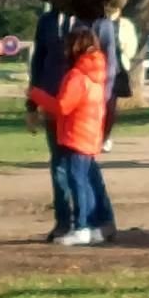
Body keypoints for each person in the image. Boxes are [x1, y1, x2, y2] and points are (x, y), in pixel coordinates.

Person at [28, 27, 115, 246]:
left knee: (77, 182)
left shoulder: (77, 76)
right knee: (86, 180)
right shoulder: (96, 74)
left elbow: (63, 106)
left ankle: (82, 226)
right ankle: (95, 224)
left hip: (75, 134)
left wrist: (36, 95)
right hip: (89, 133)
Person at [29, 4, 79, 237]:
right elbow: (38, 61)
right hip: (52, 101)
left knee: (79, 164)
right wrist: (32, 104)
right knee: (58, 163)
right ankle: (63, 221)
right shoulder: (47, 21)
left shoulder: (88, 20)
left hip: (79, 104)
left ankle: (85, 218)